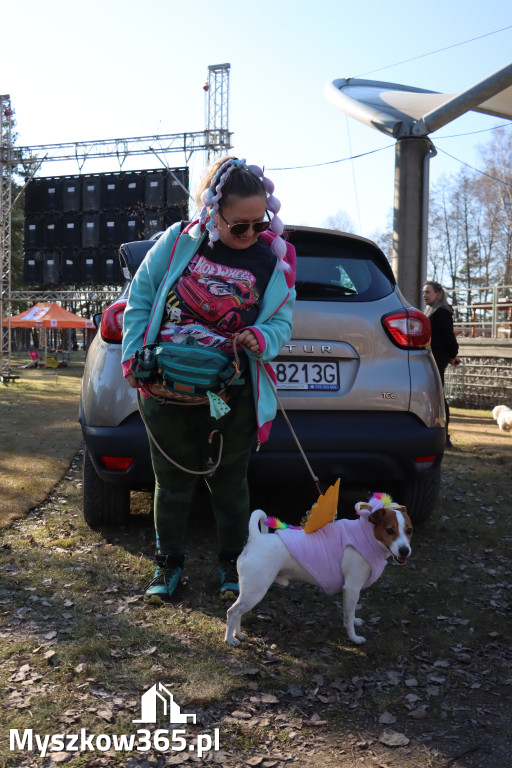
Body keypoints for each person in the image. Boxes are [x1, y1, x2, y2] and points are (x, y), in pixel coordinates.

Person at [121, 157, 296, 601]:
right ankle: (168, 564)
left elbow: (282, 322)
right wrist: (131, 357)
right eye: (240, 225)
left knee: (230, 482)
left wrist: (262, 336)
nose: (252, 234)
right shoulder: (178, 242)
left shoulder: (273, 260)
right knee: (171, 481)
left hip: (230, 394)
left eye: (261, 223)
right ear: (213, 211)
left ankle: (234, 568)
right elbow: (140, 297)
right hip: (165, 387)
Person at [422, 281, 461, 448]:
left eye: (427, 292)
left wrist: (452, 354)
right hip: (432, 358)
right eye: (423, 292)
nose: (424, 295)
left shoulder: (442, 312)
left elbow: (448, 338)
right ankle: (436, 434)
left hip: (437, 358)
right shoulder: (432, 311)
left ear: (437, 293)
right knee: (433, 396)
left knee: (438, 397)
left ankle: (444, 437)